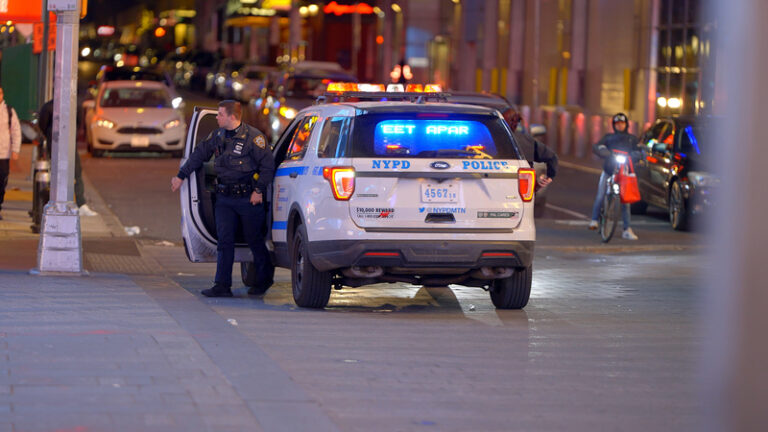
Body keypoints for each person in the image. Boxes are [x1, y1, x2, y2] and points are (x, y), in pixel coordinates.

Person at [171, 100, 275, 297]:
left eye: (219, 114)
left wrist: (259, 191)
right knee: (224, 241)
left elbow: (267, 167)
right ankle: (222, 285)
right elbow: (198, 155)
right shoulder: (217, 135)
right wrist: (181, 176)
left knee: (254, 239)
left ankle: (264, 280)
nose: (216, 117)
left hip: (248, 198)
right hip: (224, 199)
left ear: (231, 117)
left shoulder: (254, 138)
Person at [38, 99, 98, 216]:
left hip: (67, 144)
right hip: (57, 144)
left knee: (75, 173)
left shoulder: (73, 106)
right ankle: (61, 202)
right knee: (59, 174)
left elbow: (78, 123)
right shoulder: (50, 107)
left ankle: (79, 203)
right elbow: (43, 125)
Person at [588, 113, 640, 240]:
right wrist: (602, 151)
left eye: (622, 123)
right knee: (601, 194)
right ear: (614, 125)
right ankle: (594, 219)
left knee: (626, 202)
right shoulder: (608, 137)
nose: (620, 126)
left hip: (624, 173)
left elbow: (639, 150)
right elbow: (598, 146)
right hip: (609, 170)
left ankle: (627, 229)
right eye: (617, 123)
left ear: (626, 124)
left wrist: (637, 155)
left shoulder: (632, 139)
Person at [501, 107, 558, 188]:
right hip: (523, 190)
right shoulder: (527, 141)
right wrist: (549, 177)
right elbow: (552, 157)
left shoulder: (490, 139)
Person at [0, 87, 21, 221]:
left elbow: (16, 131)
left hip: (3, 154)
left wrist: (15, 150)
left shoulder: (9, 111)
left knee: (2, 182)